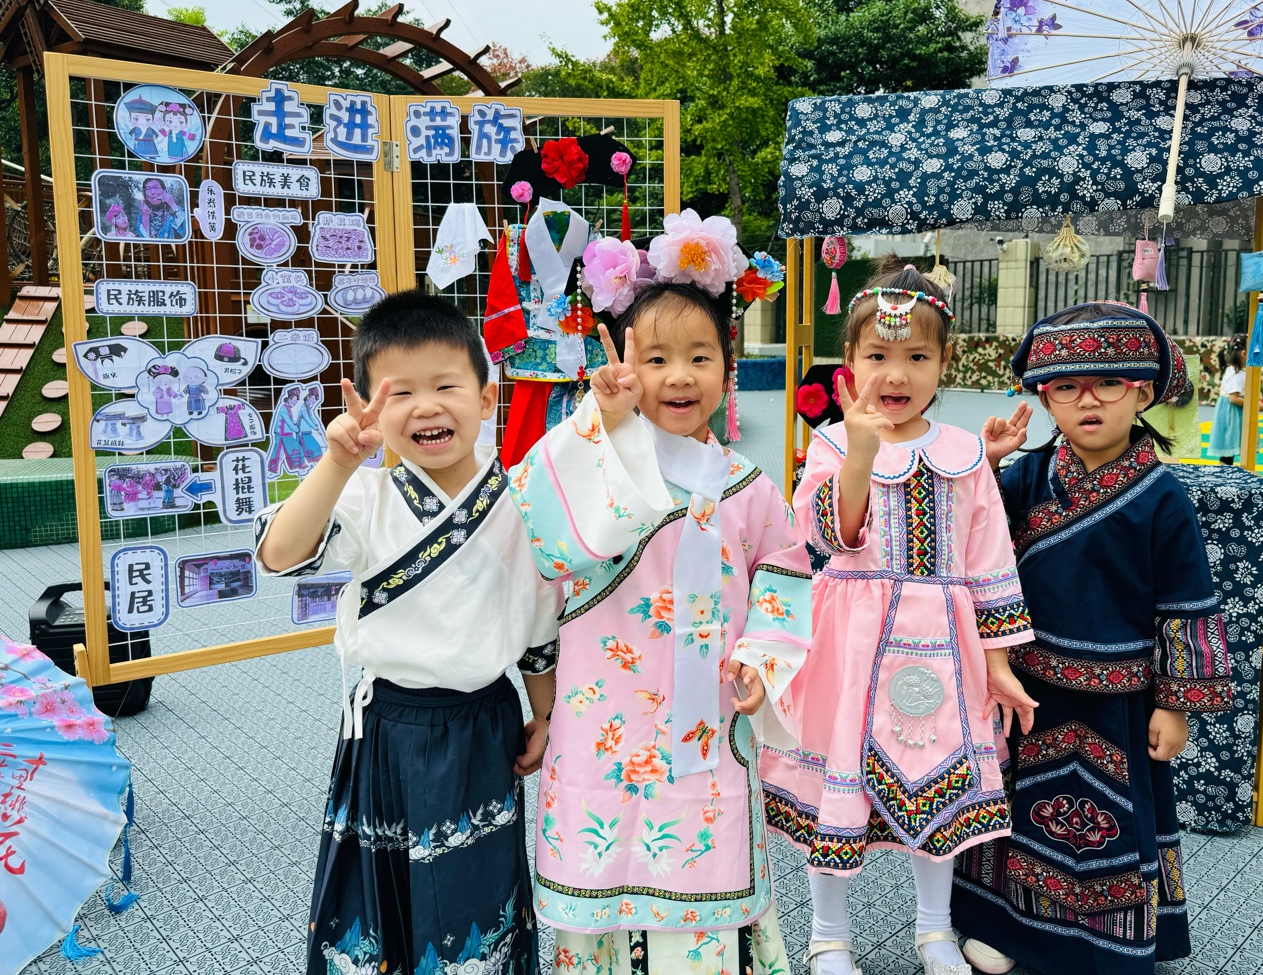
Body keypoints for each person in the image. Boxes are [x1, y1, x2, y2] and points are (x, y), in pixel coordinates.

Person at [509, 227, 810, 975]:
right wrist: (600, 426)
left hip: (706, 727)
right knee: (601, 872)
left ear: (728, 369)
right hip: (600, 724)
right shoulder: (589, 460)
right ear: (621, 365)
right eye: (655, 359)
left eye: (700, 357)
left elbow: (785, 575)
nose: (680, 377)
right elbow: (534, 531)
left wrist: (760, 658)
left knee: (705, 873)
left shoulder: (747, 485)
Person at [254, 289, 562, 975]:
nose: (426, 407)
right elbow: (279, 554)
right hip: (388, 728)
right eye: (400, 393)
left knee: (477, 892)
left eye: (446, 386)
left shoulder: (523, 503)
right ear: (368, 406)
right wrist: (338, 463)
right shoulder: (365, 496)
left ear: (487, 398)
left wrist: (545, 715)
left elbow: (540, 631)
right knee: (380, 895)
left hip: (483, 724)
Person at [766, 261, 1035, 975]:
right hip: (849, 648)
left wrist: (999, 663)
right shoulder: (831, 444)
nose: (896, 373)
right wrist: (860, 454)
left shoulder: (965, 454)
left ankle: (934, 929)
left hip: (942, 647)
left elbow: (989, 558)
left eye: (917, 356)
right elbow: (828, 539)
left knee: (938, 776)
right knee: (838, 786)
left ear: (944, 363)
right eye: (878, 355)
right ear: (850, 363)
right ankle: (828, 935)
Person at [953, 303, 1234, 975]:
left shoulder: (1163, 497)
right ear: (1044, 396)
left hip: (1120, 701)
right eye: (1067, 386)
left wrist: (1176, 705)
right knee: (1014, 810)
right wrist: (982, 466)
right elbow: (966, 541)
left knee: (1112, 819)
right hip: (1024, 689)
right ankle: (1004, 928)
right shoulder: (1024, 478)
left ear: (1142, 393)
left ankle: (1107, 943)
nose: (1089, 401)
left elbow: (1185, 605)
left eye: (1109, 384)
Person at [1206, 338, 1246, 465]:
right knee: (1229, 444)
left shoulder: (1232, 369)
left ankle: (1225, 470)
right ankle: (1225, 472)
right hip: (1231, 412)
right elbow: (1233, 398)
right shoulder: (1237, 374)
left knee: (1228, 446)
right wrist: (1255, 405)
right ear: (1244, 353)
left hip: (1226, 410)